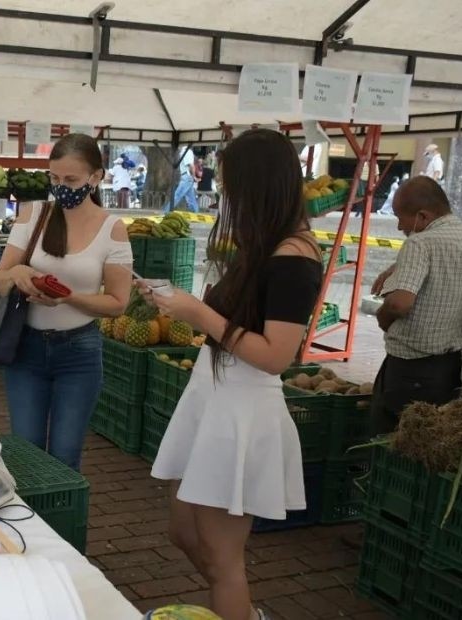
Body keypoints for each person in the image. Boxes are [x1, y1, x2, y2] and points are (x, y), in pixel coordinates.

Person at [143, 129, 323, 620]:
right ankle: (241, 609)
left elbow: (275, 356)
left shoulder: (294, 255)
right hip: (215, 398)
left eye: (230, 186)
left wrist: (197, 314)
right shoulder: (264, 245)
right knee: (182, 530)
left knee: (224, 559)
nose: (225, 196)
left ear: (256, 185)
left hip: (243, 408)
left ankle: (236, 608)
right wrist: (177, 305)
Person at [0, 133, 133, 470]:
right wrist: (18, 273)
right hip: (24, 349)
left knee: (65, 456)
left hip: (79, 353)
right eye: (54, 178)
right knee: (25, 454)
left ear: (96, 177)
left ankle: (59, 522)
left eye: (71, 179)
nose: (61, 186)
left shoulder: (112, 229)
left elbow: (118, 303)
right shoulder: (32, 215)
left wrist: (68, 297)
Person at [370, 176, 462, 436]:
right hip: (449, 365)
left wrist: (383, 317)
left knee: (391, 439)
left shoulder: (419, 243)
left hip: (411, 369)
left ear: (422, 216)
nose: (400, 227)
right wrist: (397, 268)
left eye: (401, 218)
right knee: (430, 441)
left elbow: (400, 304)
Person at [170, 147, 200, 213]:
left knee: (177, 195)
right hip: (187, 176)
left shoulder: (186, 151)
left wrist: (193, 176)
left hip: (187, 176)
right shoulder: (184, 151)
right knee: (191, 198)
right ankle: (195, 213)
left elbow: (191, 165)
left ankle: (166, 211)